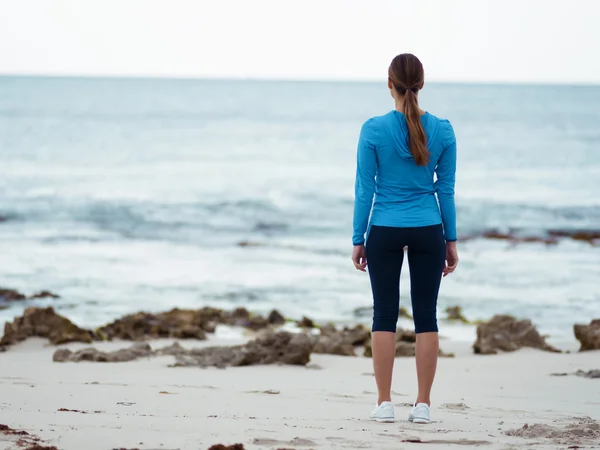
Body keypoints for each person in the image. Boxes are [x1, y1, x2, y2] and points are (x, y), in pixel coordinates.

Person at [351, 53, 458, 424]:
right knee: (427, 316)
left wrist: (357, 237)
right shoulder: (443, 130)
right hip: (429, 228)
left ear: (389, 84)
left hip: (384, 229)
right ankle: (423, 405)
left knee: (384, 314)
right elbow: (446, 190)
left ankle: (384, 404)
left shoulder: (373, 129)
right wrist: (451, 240)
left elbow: (365, 190)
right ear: (422, 84)